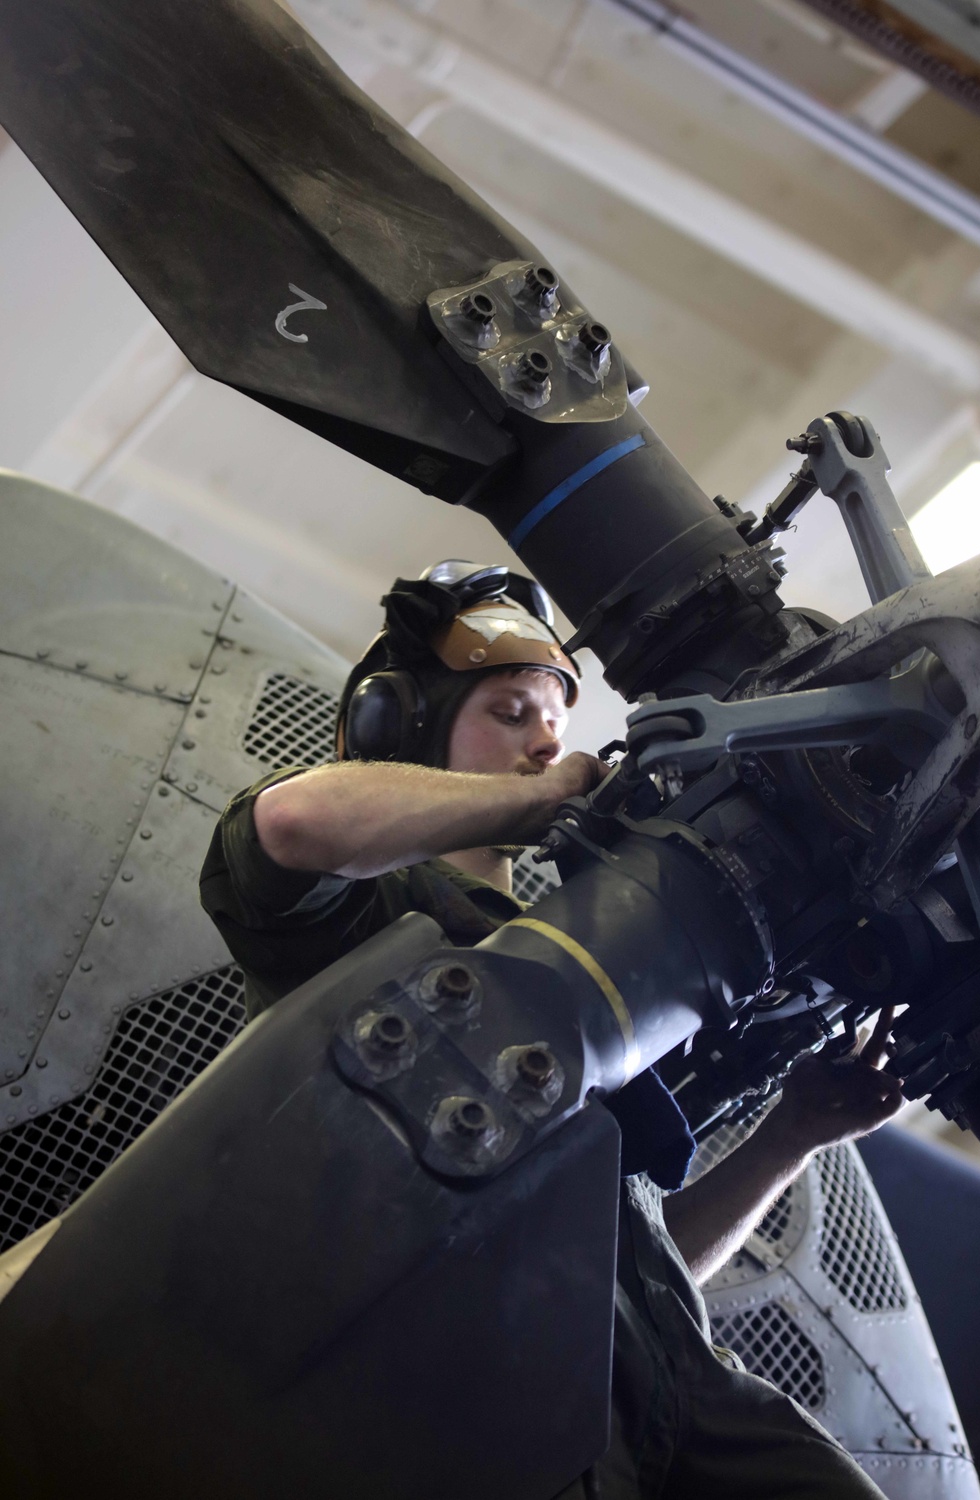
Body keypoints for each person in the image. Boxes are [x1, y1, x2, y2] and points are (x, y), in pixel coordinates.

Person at [200, 559, 903, 1499]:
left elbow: (639, 1277)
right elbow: (288, 821)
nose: (546, 743)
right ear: (399, 728)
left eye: (558, 722)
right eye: (510, 714)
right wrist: (546, 794)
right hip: (491, 1380)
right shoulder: (373, 915)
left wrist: (790, 1138)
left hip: (666, 1386)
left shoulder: (577, 972)